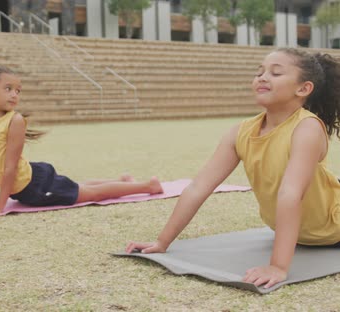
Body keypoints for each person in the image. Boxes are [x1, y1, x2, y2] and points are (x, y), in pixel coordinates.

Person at [125, 48, 340, 289]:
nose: (262, 77)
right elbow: (198, 187)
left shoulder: (306, 128)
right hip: (305, 234)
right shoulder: (240, 132)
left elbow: (291, 194)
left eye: (275, 73)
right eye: (259, 72)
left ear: (303, 89)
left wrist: (278, 267)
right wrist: (161, 242)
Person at [0, 66, 163, 216]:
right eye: (8, 88)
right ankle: (122, 181)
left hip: (33, 186)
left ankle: (148, 186)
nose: (15, 94)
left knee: (92, 194)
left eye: (18, 90)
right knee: (77, 186)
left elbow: (10, 168)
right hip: (26, 182)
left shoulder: (15, 120)